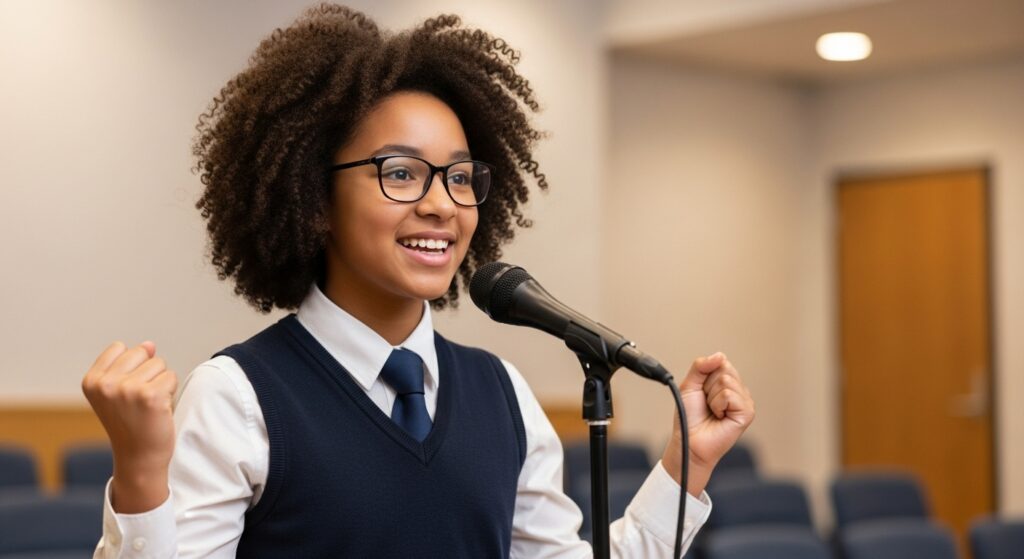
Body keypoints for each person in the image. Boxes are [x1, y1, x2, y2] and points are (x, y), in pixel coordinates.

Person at [81, 4, 755, 558]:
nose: (441, 204)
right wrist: (140, 472)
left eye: (460, 177)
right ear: (315, 199)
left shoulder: (503, 394)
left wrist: (687, 464)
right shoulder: (238, 397)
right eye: (401, 173)